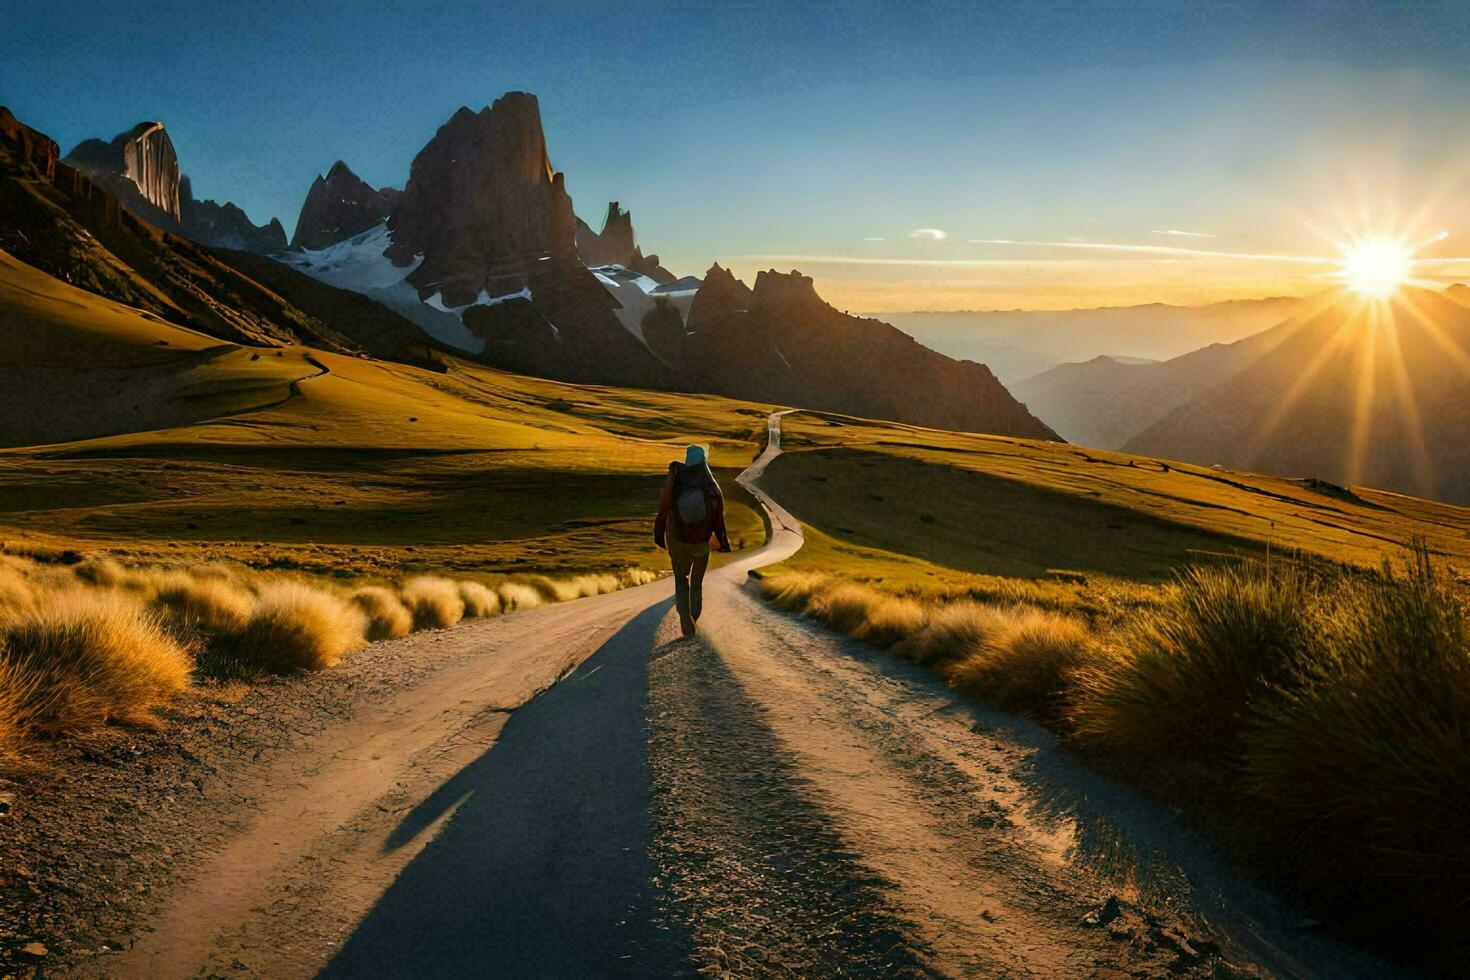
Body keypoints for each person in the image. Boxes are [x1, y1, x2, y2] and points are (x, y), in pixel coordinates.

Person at [654, 444, 731, 636]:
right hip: (700, 544)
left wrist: (659, 532)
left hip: (677, 540)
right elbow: (718, 517)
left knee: (681, 578)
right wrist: (723, 542)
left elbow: (664, 506)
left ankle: (685, 618)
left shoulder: (676, 478)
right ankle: (694, 617)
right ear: (703, 460)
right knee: (696, 581)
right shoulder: (710, 485)